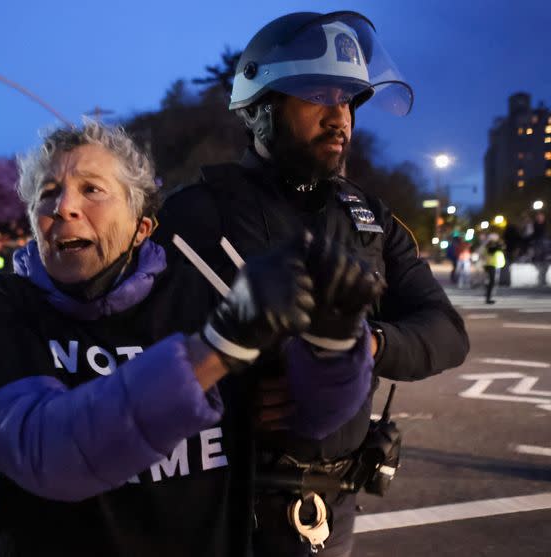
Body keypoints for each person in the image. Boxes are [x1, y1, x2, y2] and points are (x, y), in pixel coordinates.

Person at [0, 122, 382, 556]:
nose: (64, 207)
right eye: (47, 193)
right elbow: (46, 453)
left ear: (142, 226)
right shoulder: (1, 311)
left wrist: (335, 340)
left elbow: (313, 418)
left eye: (92, 190)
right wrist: (217, 347)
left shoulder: (208, 288)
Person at [154, 11, 469, 555]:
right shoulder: (193, 216)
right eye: (315, 96)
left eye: (347, 99)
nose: (338, 117)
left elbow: (445, 332)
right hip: (222, 501)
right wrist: (226, 394)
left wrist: (357, 347)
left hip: (333, 507)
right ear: (259, 111)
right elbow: (132, 354)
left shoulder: (368, 218)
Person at [483, 233, 506, 304]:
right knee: (492, 281)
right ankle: (488, 297)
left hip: (496, 265)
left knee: (493, 282)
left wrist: (500, 245)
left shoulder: (496, 245)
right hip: (491, 265)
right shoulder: (489, 245)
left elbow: (502, 248)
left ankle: (489, 295)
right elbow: (491, 251)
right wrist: (499, 245)